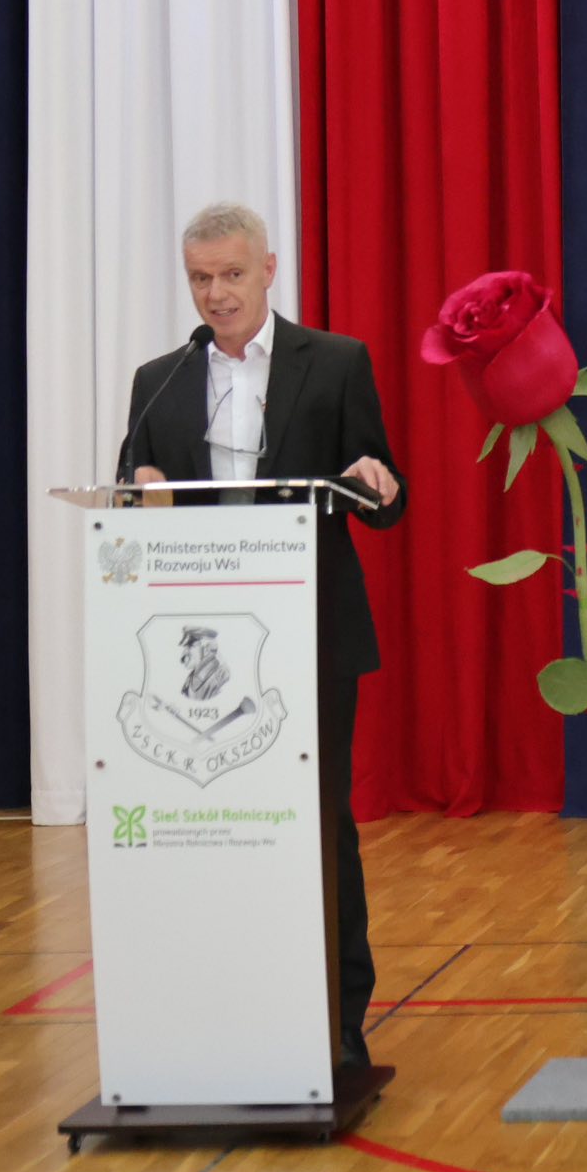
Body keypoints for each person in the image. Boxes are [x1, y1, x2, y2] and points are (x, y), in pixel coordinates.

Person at [121, 201, 404, 1070]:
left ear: (269, 270)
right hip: (199, 653)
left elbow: (383, 497)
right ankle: (222, 1012)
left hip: (309, 634)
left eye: (233, 275)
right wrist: (139, 484)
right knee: (212, 828)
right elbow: (129, 492)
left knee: (319, 824)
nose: (217, 294)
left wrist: (375, 482)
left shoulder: (337, 362)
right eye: (201, 279)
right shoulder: (160, 378)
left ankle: (339, 1021)